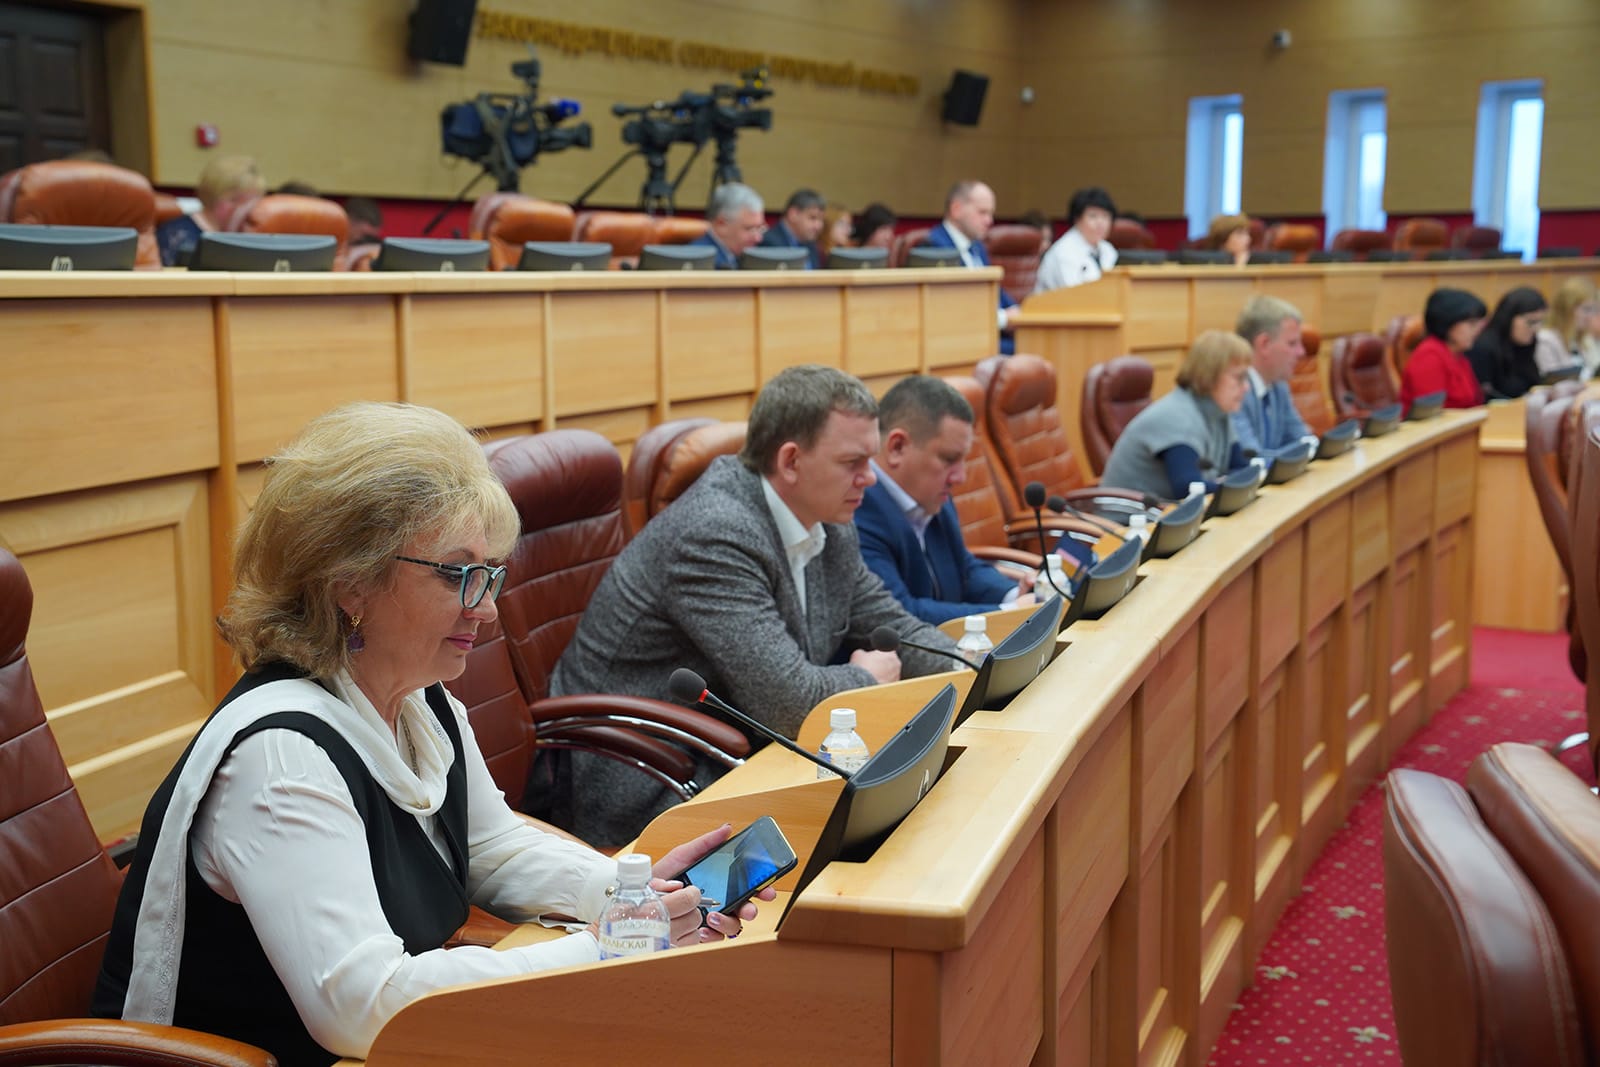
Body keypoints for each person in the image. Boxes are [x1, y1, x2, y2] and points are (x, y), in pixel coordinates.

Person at [92, 402, 765, 1066]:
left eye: (491, 573)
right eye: (458, 574)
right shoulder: (282, 761)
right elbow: (366, 1006)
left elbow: (490, 847)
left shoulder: (417, 698)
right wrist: (605, 946)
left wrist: (631, 893)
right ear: (351, 583)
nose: (488, 609)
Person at [549, 365, 963, 845]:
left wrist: (970, 666)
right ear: (791, 461)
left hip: (746, 753)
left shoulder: (829, 520)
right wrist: (867, 678)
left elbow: (892, 624)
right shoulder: (716, 533)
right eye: (853, 462)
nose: (870, 478)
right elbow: (793, 704)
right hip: (654, 779)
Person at [855, 376, 1035, 624]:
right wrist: (1009, 612)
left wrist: (1015, 594)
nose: (960, 477)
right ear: (897, 447)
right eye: (949, 459)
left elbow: (965, 570)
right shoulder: (858, 510)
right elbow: (900, 615)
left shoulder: (933, 496)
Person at [1100, 330, 1255, 499]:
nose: (1246, 387)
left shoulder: (1219, 413)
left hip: (1167, 511)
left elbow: (1241, 468)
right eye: (1239, 378)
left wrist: (1237, 483)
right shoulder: (1177, 417)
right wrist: (1236, 485)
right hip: (1128, 514)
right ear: (1209, 376)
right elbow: (1188, 489)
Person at [922, 179, 1020, 350]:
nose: (989, 220)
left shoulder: (977, 247)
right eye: (982, 212)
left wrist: (1018, 312)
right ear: (956, 209)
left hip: (989, 336)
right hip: (959, 342)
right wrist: (1004, 318)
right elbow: (951, 311)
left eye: (991, 213)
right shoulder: (933, 247)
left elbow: (996, 293)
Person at [1231, 295, 1313, 458]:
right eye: (1292, 343)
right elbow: (1252, 459)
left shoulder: (1278, 384)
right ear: (1264, 344)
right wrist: (1301, 451)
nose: (1301, 352)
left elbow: (1302, 438)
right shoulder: (1233, 391)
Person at [156, 155, 265, 266]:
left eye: (250, 203)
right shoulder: (176, 234)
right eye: (234, 200)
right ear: (212, 196)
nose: (241, 211)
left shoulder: (249, 235)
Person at [1401, 287, 1488, 413]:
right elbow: (1430, 414)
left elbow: (1475, 401)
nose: (1477, 330)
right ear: (1448, 322)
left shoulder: (1457, 354)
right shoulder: (1429, 357)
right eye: (1471, 323)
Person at [1034, 186, 1119, 293]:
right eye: (1093, 216)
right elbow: (1074, 295)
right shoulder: (1064, 251)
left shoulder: (1108, 249)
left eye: (1105, 216)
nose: (1100, 223)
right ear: (1077, 219)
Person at [1467, 287, 1548, 399]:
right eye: (1531, 322)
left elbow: (1533, 383)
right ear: (1509, 318)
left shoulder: (1526, 343)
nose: (1536, 328)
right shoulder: (1484, 348)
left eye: (1541, 321)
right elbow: (1487, 396)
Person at [688, 182, 766, 269]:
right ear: (721, 224)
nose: (758, 238)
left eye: (760, 228)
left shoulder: (735, 256)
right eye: (749, 229)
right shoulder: (699, 262)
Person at [1536, 276, 1600, 379]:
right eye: (1586, 309)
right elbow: (1551, 380)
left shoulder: (1579, 338)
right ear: (1567, 309)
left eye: (1593, 310)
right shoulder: (1546, 339)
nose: (1590, 316)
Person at [757, 187, 825, 268]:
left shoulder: (811, 244)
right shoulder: (769, 242)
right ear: (793, 214)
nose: (818, 226)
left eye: (821, 219)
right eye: (812, 218)